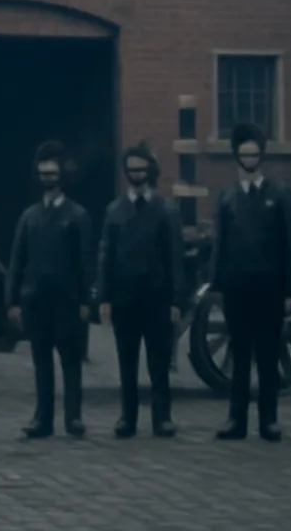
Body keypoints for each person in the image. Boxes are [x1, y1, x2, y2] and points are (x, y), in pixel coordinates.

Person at [209, 123, 291, 442]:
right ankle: (236, 419)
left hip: (270, 288)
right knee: (240, 355)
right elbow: (220, 244)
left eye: (254, 153)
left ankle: (269, 420)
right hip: (237, 289)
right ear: (237, 156)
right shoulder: (227, 198)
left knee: (267, 355)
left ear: (261, 155)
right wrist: (217, 284)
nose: (249, 158)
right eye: (244, 153)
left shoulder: (280, 194)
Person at [6, 140, 94, 439]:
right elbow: (17, 261)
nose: (48, 180)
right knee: (41, 362)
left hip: (67, 302)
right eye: (43, 175)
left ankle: (74, 417)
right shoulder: (29, 217)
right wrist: (13, 301)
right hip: (35, 302)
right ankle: (42, 419)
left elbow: (86, 263)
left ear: (62, 177)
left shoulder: (78, 216)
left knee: (70, 361)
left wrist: (85, 300)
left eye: (53, 174)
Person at [97, 141, 184, 438]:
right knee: (127, 361)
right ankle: (127, 417)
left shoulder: (166, 209)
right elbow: (105, 256)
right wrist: (104, 297)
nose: (136, 173)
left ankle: (162, 417)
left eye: (141, 168)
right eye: (131, 168)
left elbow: (175, 257)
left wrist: (176, 299)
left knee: (158, 361)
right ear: (125, 172)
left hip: (157, 297)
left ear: (150, 170)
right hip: (124, 298)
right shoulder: (114, 211)